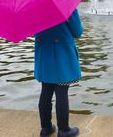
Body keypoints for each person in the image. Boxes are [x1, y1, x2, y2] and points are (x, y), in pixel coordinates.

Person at [34, 8, 83, 137]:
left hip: (44, 54)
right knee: (61, 91)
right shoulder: (66, 3)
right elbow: (77, 32)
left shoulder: (33, 6)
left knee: (46, 90)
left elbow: (32, 31)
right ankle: (64, 130)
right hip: (61, 54)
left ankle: (45, 129)